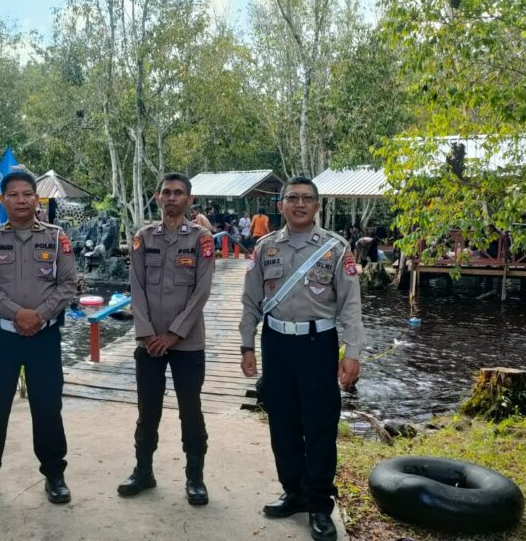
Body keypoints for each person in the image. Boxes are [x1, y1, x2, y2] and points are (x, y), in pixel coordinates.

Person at [238, 177, 364, 541]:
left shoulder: (336, 248)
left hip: (318, 345)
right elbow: (250, 301)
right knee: (283, 423)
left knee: (320, 425)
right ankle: (294, 492)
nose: (299, 204)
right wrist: (247, 345)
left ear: (317, 206)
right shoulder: (265, 247)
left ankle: (320, 504)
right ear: (281, 205)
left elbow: (351, 306)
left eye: (307, 198)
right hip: (276, 344)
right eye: (292, 198)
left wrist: (352, 353)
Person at [0, 170, 78, 506]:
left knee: (47, 406)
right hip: (1, 337)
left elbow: (68, 284)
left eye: (27, 194)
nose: (20, 200)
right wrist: (17, 313)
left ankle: (54, 475)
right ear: (3, 200)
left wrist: (38, 315)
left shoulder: (56, 238)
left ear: (36, 198)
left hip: (44, 337)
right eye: (13, 195)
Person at [118, 172, 215, 505]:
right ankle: (143, 471)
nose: (172, 198)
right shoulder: (143, 238)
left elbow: (202, 290)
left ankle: (195, 478)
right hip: (149, 343)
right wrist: (147, 333)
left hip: (187, 342)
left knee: (191, 409)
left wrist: (173, 334)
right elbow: (136, 287)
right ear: (157, 197)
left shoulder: (201, 239)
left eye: (178, 193)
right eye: (166, 192)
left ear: (189, 199)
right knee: (148, 409)